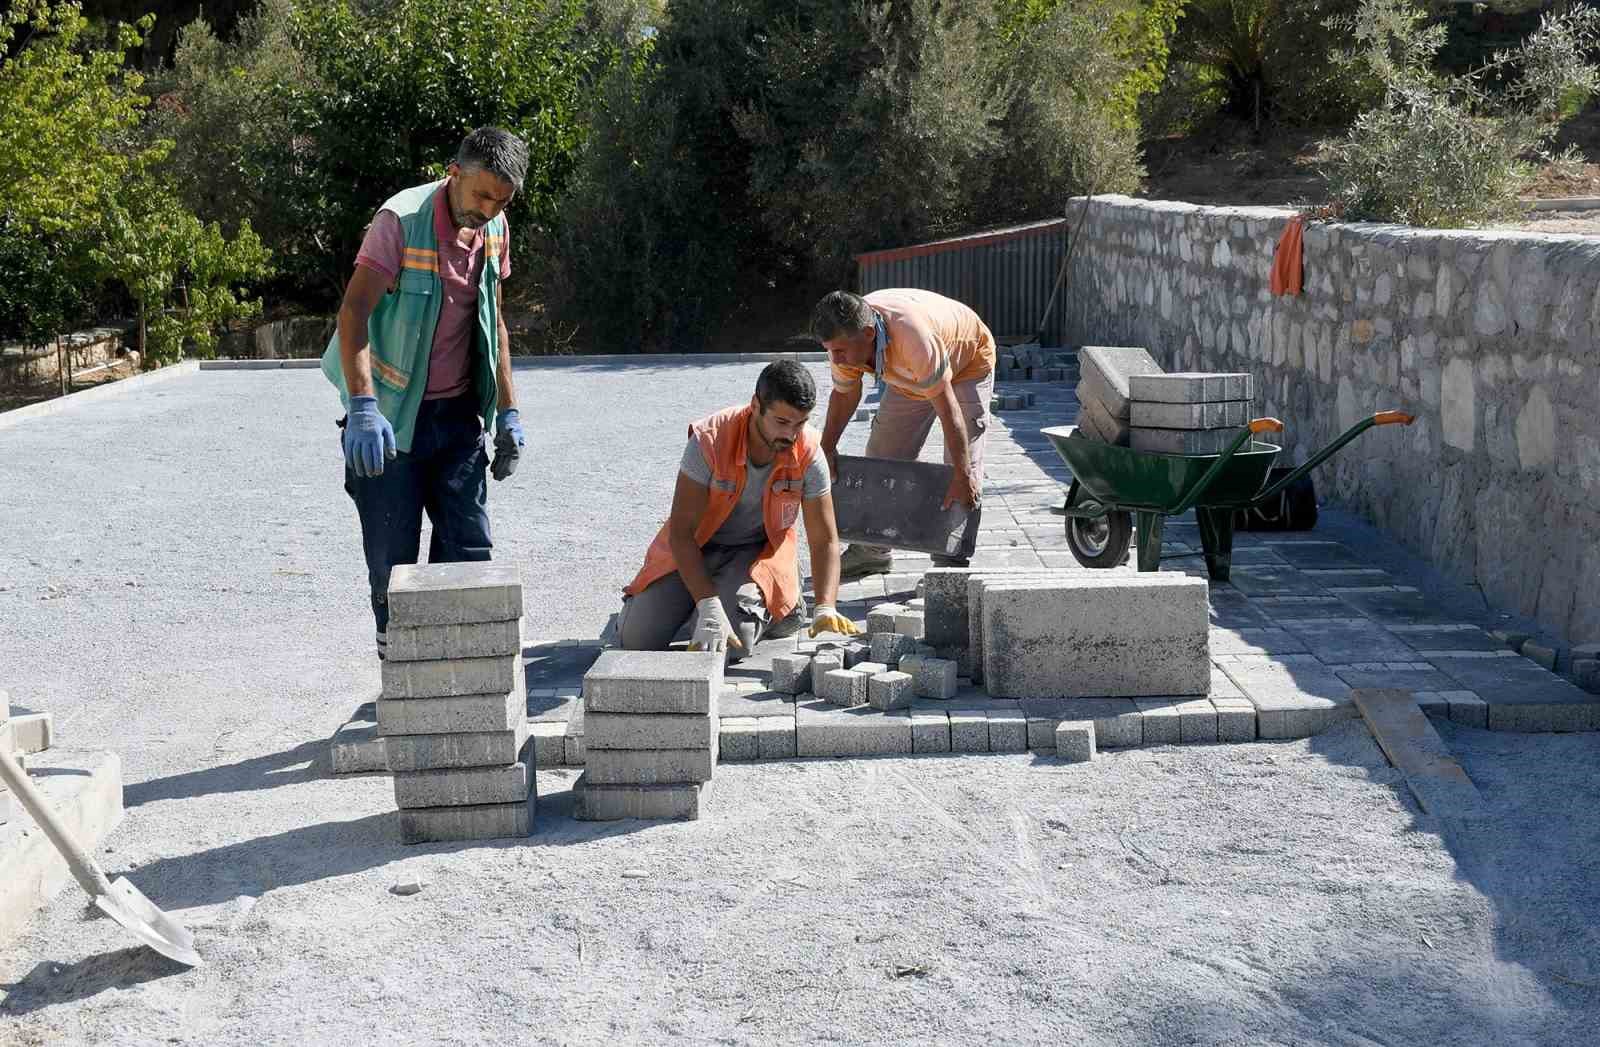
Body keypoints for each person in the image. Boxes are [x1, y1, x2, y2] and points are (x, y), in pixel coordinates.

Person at [321, 127, 529, 660]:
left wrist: (508, 411)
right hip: (390, 423)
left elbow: (495, 321)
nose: (487, 209)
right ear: (453, 172)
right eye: (481, 194)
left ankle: (463, 677)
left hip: (458, 418)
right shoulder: (400, 222)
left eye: (500, 200)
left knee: (469, 550)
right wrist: (363, 408)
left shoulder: (495, 228)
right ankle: (400, 672)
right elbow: (353, 313)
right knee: (393, 562)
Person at [620, 360, 861, 657]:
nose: (791, 435)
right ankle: (703, 605)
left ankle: (781, 605)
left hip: (757, 553)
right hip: (697, 548)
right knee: (636, 641)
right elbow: (681, 534)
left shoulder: (809, 451)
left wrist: (825, 604)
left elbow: (824, 539)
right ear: (755, 406)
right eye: (782, 422)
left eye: (800, 423)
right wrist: (708, 606)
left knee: (732, 644)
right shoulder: (709, 440)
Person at [810, 288, 996, 578]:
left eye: (840, 351)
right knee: (882, 458)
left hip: (968, 362)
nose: (836, 358)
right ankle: (872, 553)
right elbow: (845, 395)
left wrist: (961, 472)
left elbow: (949, 411)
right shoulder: (848, 342)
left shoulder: (913, 338)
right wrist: (827, 448)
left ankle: (951, 564)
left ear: (869, 334)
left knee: (963, 469)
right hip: (909, 374)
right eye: (830, 350)